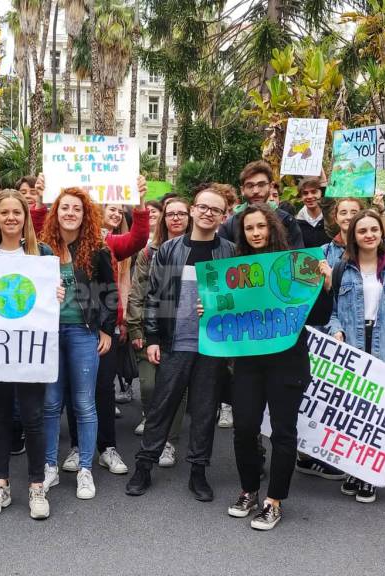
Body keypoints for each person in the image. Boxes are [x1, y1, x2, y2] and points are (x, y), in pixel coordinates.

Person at [125, 185, 235, 501]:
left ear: (222, 216)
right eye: (203, 207)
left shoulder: (229, 251)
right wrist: (152, 338)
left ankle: (198, 472)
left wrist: (219, 307)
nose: (208, 213)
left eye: (215, 210)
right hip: (175, 343)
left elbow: (236, 298)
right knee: (161, 407)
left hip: (211, 347)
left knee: (204, 411)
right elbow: (154, 296)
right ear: (192, 210)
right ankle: (143, 467)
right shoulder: (170, 250)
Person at [219, 204, 320, 530]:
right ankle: (249, 490)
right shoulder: (234, 268)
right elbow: (226, 311)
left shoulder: (297, 264)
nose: (256, 233)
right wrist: (210, 305)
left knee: (283, 432)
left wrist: (326, 284)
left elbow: (317, 314)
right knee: (244, 427)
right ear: (242, 233)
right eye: (249, 228)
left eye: (261, 226)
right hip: (250, 362)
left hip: (287, 361)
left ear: (272, 227)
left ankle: (274, 501)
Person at [327, 209, 385, 504]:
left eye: (374, 230)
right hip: (352, 347)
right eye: (362, 230)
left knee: (377, 415)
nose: (369, 235)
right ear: (353, 236)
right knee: (353, 413)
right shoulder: (341, 269)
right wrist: (336, 331)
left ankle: (368, 477)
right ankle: (353, 470)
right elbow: (329, 312)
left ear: (381, 234)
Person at [0, 189, 54, 520]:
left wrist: (57, 293)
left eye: (17, 213)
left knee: (33, 417)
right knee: (0, 417)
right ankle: (0, 484)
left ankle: (36, 485)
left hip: (31, 352)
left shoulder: (43, 255)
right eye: (4, 212)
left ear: (26, 218)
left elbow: (55, 302)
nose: (11, 218)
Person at [39, 188, 117, 500]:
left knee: (85, 403)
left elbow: (109, 291)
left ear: (85, 216)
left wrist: (107, 330)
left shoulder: (97, 249)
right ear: (55, 212)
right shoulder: (41, 250)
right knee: (50, 404)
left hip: (83, 332)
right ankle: (49, 466)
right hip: (48, 333)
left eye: (77, 209)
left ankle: (85, 469)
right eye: (65, 208)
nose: (70, 213)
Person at [128, 197, 192, 468]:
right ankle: (154, 417)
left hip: (184, 332)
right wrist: (135, 328)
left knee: (176, 388)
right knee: (150, 385)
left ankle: (169, 441)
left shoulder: (198, 249)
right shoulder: (149, 253)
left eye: (181, 214)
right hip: (151, 329)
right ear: (163, 219)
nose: (175, 218)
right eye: (170, 214)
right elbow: (138, 292)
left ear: (189, 217)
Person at [217, 160, 303, 249]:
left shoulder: (286, 221)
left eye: (261, 185)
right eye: (250, 186)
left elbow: (298, 258)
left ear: (270, 187)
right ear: (242, 190)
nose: (256, 191)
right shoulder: (229, 226)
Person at [295, 177, 328, 249]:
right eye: (305, 193)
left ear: (321, 193)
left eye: (314, 192)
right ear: (301, 197)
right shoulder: (296, 224)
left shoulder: (331, 219)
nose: (309, 196)